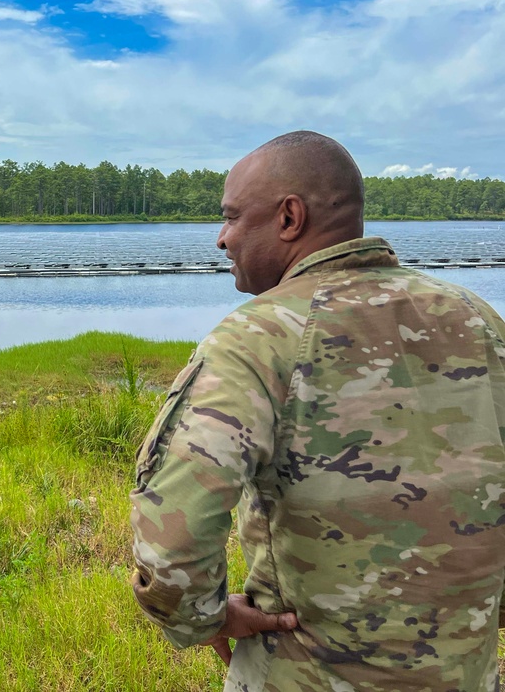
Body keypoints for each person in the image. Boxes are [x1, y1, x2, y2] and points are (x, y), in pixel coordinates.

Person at [130, 131, 505, 691]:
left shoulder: (255, 337)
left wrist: (203, 617)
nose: (221, 238)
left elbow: (172, 534)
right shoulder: (479, 320)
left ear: (289, 218)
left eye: (232, 217)